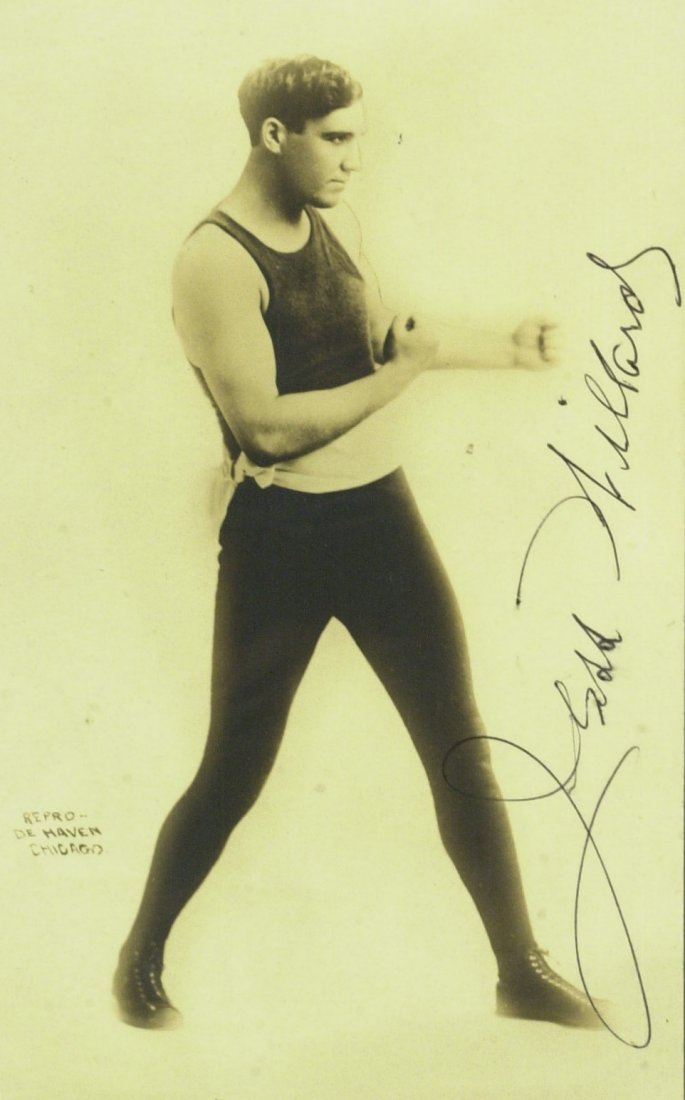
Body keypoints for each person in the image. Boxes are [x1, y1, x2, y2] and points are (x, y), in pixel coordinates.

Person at [112, 55, 602, 1031]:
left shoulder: (336, 218)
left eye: (356, 138)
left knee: (459, 744)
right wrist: (409, 375)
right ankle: (142, 951)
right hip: (280, 537)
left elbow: (393, 340)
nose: (352, 160)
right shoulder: (211, 257)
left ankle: (521, 969)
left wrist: (509, 344)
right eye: (335, 138)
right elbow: (267, 428)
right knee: (234, 767)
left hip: (379, 517)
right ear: (272, 136)